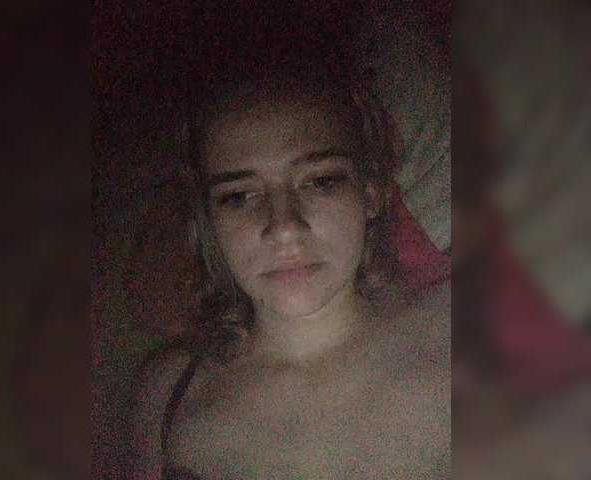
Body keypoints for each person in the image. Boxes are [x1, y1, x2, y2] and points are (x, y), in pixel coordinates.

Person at [127, 48, 450, 480]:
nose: (284, 228)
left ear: (370, 194)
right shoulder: (166, 394)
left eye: (320, 181)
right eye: (240, 196)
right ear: (208, 221)